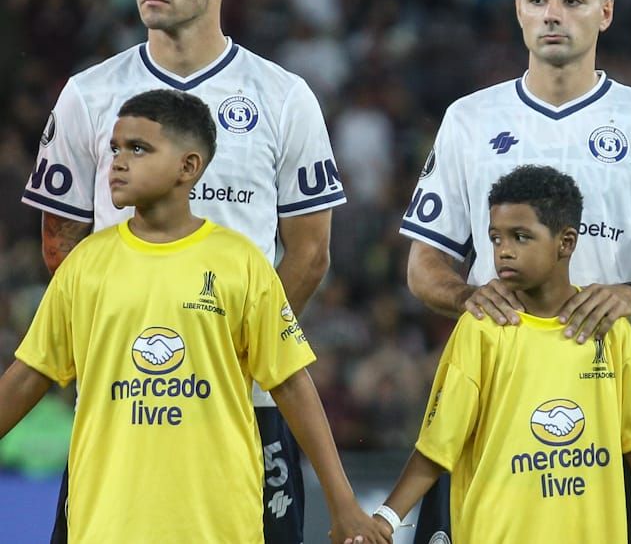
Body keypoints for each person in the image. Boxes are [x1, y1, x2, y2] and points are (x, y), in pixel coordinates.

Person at [20, 0, 345, 541]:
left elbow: (310, 253)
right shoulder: (88, 94)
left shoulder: (283, 96)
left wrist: (235, 350)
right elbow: (62, 244)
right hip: (124, 399)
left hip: (245, 398)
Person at [402, 0, 631, 542]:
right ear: (518, 9)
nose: (553, 13)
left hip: (610, 415)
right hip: (493, 411)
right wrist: (469, 295)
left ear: (605, 12)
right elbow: (424, 265)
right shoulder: (469, 120)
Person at [0, 90, 381, 543]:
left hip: (218, 526)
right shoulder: (84, 266)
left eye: (138, 148)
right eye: (115, 148)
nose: (118, 162)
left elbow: (291, 383)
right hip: (107, 525)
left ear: (188, 166)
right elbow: (30, 374)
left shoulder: (240, 262)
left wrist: (342, 503)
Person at [370, 165, 631, 543]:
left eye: (520, 237)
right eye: (495, 238)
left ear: (566, 242)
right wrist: (385, 518)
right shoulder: (482, 328)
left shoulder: (610, 330)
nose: (504, 251)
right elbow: (437, 447)